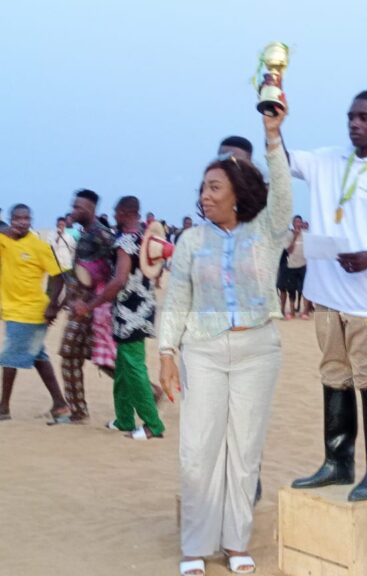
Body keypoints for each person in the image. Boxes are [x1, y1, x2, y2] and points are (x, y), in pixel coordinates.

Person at [158, 109, 290, 576]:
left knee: (244, 449)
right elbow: (176, 298)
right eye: (202, 188)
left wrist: (272, 138)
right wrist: (167, 352)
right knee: (198, 450)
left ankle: (235, 543)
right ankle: (195, 544)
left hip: (258, 351)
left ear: (237, 193)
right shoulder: (191, 241)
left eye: (214, 186)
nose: (204, 195)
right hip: (204, 352)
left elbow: (283, 193)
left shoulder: (267, 233)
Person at [289, 89, 367, 502]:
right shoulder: (327, 159)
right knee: (333, 376)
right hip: (326, 293)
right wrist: (272, 126)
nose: (355, 123)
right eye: (350, 116)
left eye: (364, 117)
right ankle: (337, 461)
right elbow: (282, 161)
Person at [71, 196, 165, 440]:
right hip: (142, 307)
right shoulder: (145, 237)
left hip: (130, 311)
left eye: (116, 211)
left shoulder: (125, 242)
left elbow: (119, 280)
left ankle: (153, 425)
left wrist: (90, 305)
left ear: (125, 212)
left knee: (133, 368)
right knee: (123, 367)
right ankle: (124, 418)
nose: (113, 215)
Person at [0, 204, 70, 423]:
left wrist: (53, 306)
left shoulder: (39, 246)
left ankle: (3, 408)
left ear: (31, 220)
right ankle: (60, 405)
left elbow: (58, 276)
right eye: (17, 218)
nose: (22, 222)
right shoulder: (4, 242)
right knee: (39, 357)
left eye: (26, 218)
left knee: (10, 357)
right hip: (11, 310)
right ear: (10, 220)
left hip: (31, 312)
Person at [59, 189, 116, 423]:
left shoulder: (102, 235)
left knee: (74, 354)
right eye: (73, 206)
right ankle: (78, 410)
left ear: (91, 209)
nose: (74, 211)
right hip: (78, 304)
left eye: (79, 207)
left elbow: (115, 273)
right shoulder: (82, 233)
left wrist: (93, 302)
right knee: (86, 356)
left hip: (90, 306)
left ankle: (78, 412)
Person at [279, 215, 310, 319]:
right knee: (291, 290)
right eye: (296, 222)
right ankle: (292, 312)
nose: (298, 224)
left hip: (304, 265)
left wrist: (307, 228)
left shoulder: (306, 234)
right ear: (293, 224)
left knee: (305, 289)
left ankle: (305, 312)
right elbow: (289, 250)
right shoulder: (288, 235)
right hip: (291, 266)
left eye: (300, 222)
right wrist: (295, 236)